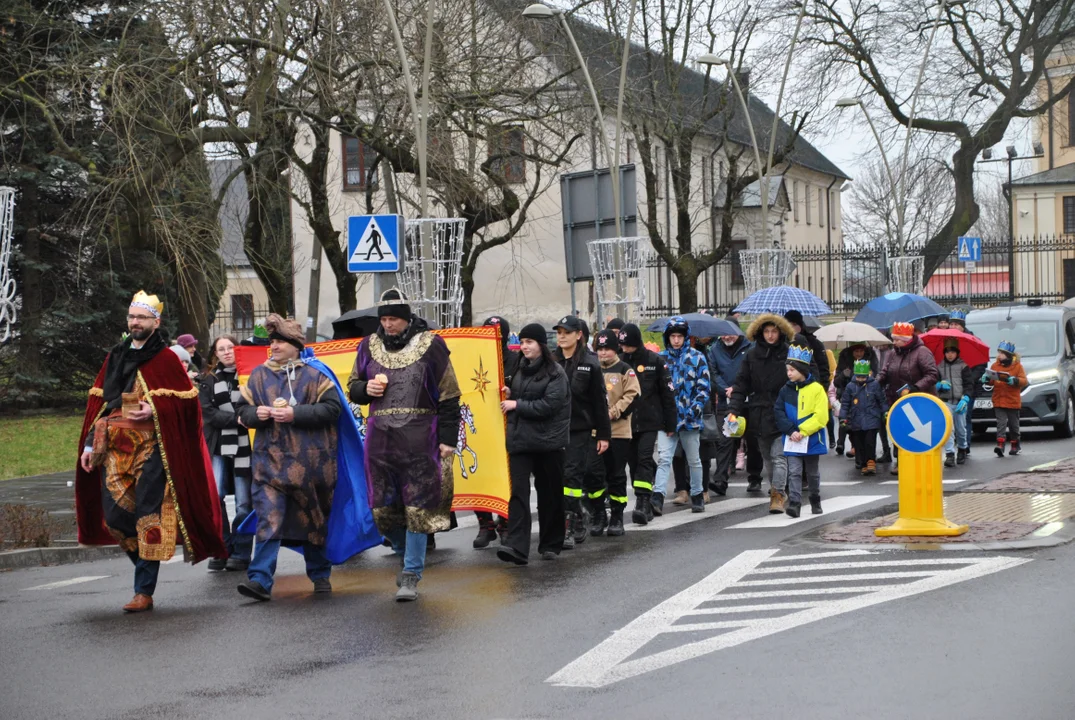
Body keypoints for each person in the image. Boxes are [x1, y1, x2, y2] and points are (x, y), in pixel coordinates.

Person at [75, 291, 224, 613]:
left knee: (149, 517)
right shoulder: (115, 356)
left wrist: (153, 409)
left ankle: (143, 590)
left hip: (154, 451)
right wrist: (89, 444)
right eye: (132, 317)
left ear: (155, 322)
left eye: (142, 318)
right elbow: (98, 406)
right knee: (115, 518)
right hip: (114, 448)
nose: (135, 323)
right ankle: (144, 560)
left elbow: (187, 407)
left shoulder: (167, 359)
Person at [348, 289, 460, 601]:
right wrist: (364, 389)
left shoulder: (431, 345)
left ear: (406, 318)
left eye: (393, 319)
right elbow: (353, 387)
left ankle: (411, 574)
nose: (388, 325)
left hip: (420, 436)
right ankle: (404, 551)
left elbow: (450, 394)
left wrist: (448, 439)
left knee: (418, 508)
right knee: (382, 510)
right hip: (380, 438)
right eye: (383, 319)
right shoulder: (368, 346)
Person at [234, 315, 341, 601]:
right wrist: (256, 414)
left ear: (295, 345)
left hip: (314, 464)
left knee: (315, 519)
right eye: (272, 341)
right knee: (269, 517)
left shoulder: (317, 374)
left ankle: (320, 574)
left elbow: (333, 410)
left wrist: (296, 414)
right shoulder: (258, 375)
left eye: (280, 341)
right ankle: (259, 580)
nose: (274, 346)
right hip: (270, 462)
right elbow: (242, 412)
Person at [497, 324, 571, 564]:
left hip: (548, 442)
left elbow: (549, 406)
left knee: (549, 494)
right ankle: (518, 547)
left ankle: (550, 544)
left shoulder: (556, 373)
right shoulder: (520, 369)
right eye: (523, 341)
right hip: (521, 441)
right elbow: (522, 396)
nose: (525, 346)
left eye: (530, 342)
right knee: (518, 493)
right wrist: (510, 394)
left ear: (541, 345)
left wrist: (516, 405)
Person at [552, 315, 611, 548]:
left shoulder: (590, 362)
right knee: (561, 478)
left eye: (567, 332)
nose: (562, 336)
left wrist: (604, 434)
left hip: (580, 429)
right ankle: (578, 515)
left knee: (572, 477)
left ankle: (569, 524)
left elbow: (599, 401)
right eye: (559, 332)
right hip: (555, 429)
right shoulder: (552, 360)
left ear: (579, 335)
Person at [728, 313, 796, 507]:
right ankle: (781, 487)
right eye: (766, 331)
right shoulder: (751, 354)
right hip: (758, 412)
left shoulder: (789, 352)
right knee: (767, 457)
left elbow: (803, 378)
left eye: (774, 331)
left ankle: (777, 494)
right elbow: (741, 384)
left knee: (779, 455)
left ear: (781, 332)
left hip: (783, 410)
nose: (770, 335)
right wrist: (734, 409)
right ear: (760, 333)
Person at [199, 334, 253, 572]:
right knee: (215, 497)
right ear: (215, 354)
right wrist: (238, 419)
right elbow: (207, 413)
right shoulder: (208, 380)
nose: (227, 352)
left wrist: (245, 419)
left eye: (230, 347)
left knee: (244, 502)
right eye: (221, 349)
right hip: (218, 445)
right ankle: (222, 548)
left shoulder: (251, 375)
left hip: (245, 445)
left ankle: (241, 552)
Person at [617, 323, 677, 525]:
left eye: (626, 345)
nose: (623, 348)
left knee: (643, 458)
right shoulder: (620, 362)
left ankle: (643, 502)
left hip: (649, 421)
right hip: (626, 423)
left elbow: (667, 394)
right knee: (633, 463)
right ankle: (645, 494)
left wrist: (670, 423)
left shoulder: (655, 361)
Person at [652, 317, 712, 514]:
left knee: (694, 460)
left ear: (686, 337)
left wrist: (693, 410)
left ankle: (697, 495)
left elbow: (704, 388)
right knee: (664, 458)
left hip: (691, 419)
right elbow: (655, 391)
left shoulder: (697, 357)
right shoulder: (660, 359)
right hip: (667, 420)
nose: (676, 340)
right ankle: (657, 498)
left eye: (679, 336)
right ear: (667, 337)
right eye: (672, 336)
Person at [471, 316, 520, 549]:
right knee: (479, 476)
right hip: (481, 428)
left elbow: (526, 389)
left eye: (496, 332)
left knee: (507, 478)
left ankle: (506, 524)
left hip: (509, 426)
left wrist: (513, 394)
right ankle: (485, 525)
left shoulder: (516, 360)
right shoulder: (472, 358)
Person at [592, 330, 640, 536]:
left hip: (618, 431)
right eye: (599, 349)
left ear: (616, 349)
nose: (603, 353)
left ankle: (617, 516)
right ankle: (599, 513)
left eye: (607, 349)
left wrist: (614, 412)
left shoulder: (624, 370)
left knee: (616, 474)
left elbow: (632, 394)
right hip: (594, 432)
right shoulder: (592, 368)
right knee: (594, 475)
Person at [877, 321, 939, 475]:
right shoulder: (893, 353)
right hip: (897, 399)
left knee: (919, 432)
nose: (894, 342)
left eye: (897, 339)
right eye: (894, 339)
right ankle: (900, 461)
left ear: (906, 340)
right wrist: (874, 382)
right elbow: (885, 372)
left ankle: (922, 460)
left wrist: (915, 387)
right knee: (900, 430)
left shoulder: (922, 352)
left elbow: (932, 374)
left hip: (919, 400)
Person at [773, 345, 829, 516]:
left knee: (812, 473)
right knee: (794, 472)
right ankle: (795, 503)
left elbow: (821, 416)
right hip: (792, 438)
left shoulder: (817, 389)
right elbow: (778, 411)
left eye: (792, 370)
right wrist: (791, 431)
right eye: (787, 370)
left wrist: (803, 431)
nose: (788, 373)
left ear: (802, 369)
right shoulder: (785, 390)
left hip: (811, 438)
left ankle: (815, 499)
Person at [708, 330, 752, 495]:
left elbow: (750, 371)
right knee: (725, 440)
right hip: (726, 401)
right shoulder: (714, 349)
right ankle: (720, 480)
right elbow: (713, 373)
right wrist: (726, 389)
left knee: (753, 441)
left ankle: (754, 478)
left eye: (730, 334)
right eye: (723, 334)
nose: (727, 337)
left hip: (747, 400)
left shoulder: (749, 347)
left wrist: (738, 389)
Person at [832, 344, 881, 456]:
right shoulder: (844, 361)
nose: (859, 354)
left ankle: (862, 451)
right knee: (850, 423)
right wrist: (844, 375)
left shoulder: (870, 360)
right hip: (849, 397)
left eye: (861, 351)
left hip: (867, 398)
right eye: (856, 351)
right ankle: (853, 446)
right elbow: (836, 382)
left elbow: (875, 378)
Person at [839, 359, 886, 475]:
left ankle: (871, 462)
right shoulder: (850, 386)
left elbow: (881, 400)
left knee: (870, 441)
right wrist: (842, 417)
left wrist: (885, 411)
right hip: (856, 419)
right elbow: (845, 403)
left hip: (872, 418)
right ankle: (864, 462)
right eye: (858, 377)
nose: (860, 380)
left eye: (863, 377)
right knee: (859, 443)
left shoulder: (874, 385)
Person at [984, 340, 1028, 457]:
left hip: (1012, 401)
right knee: (1001, 424)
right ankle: (1000, 445)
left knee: (1014, 425)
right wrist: (987, 380)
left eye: (1002, 353)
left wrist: (1015, 380)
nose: (999, 355)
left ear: (1008, 355)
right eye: (999, 353)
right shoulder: (995, 365)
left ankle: (1015, 445)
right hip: (998, 400)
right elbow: (991, 381)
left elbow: (1024, 381)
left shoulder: (1018, 367)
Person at [937, 340, 974, 466]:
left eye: (952, 352)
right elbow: (934, 383)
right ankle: (950, 454)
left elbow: (969, 384)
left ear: (957, 353)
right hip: (945, 402)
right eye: (947, 352)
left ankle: (962, 449)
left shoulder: (964, 366)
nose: (950, 355)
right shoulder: (940, 367)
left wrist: (966, 398)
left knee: (961, 429)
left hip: (960, 402)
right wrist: (939, 385)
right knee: (949, 429)